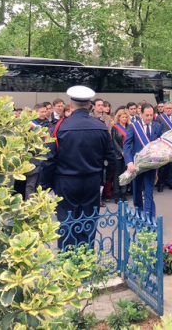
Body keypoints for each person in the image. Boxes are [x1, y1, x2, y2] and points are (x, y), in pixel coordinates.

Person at [40, 86, 115, 249]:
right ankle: (85, 263)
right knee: (88, 223)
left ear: (71, 105)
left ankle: (68, 266)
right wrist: (103, 181)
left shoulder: (59, 128)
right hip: (91, 181)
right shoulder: (101, 127)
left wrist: (47, 187)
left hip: (66, 182)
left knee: (66, 224)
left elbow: (48, 160)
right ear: (90, 105)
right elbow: (111, 158)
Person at [124, 103, 162, 219]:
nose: (149, 118)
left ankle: (149, 219)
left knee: (149, 192)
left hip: (151, 165)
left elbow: (160, 144)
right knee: (137, 193)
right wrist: (129, 162)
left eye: (151, 115)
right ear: (141, 114)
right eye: (147, 115)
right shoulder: (134, 126)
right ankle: (140, 216)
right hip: (137, 166)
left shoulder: (157, 126)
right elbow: (126, 145)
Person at [25, 103, 50, 199]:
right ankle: (29, 205)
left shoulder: (48, 124)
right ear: (35, 112)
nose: (44, 114)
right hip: (34, 158)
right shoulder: (30, 125)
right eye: (41, 112)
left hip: (44, 157)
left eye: (45, 112)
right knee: (31, 184)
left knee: (41, 186)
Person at [156, 101, 172, 192]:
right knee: (163, 165)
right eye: (167, 108)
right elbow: (157, 130)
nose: (168, 110)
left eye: (170, 108)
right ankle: (161, 184)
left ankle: (171, 183)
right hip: (163, 145)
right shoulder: (159, 118)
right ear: (164, 109)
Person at [111, 108, 130, 203]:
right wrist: (121, 151)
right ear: (119, 117)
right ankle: (116, 194)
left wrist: (126, 152)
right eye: (123, 117)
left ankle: (123, 193)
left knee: (125, 174)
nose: (124, 119)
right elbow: (114, 141)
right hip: (118, 154)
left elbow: (131, 141)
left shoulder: (129, 127)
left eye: (126, 117)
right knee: (117, 174)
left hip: (127, 154)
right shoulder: (115, 127)